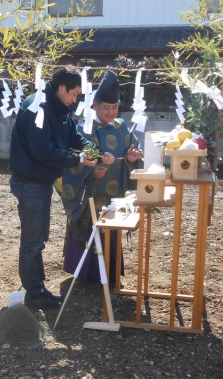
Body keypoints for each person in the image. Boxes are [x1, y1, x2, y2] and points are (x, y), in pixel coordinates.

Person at [9, 65, 111, 310]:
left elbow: (73, 137)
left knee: (37, 238)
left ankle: (37, 288)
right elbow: (42, 150)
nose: (75, 99)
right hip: (29, 182)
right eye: (74, 93)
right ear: (61, 88)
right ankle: (34, 293)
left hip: (39, 181)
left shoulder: (59, 107)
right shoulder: (38, 108)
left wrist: (96, 153)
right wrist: (77, 159)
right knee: (33, 240)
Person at [60, 70, 143, 282]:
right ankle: (86, 274)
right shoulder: (82, 129)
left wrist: (133, 157)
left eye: (115, 108)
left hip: (115, 194)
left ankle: (109, 271)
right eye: (106, 108)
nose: (111, 112)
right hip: (91, 193)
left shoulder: (122, 127)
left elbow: (131, 150)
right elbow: (71, 161)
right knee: (89, 227)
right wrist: (91, 172)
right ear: (94, 105)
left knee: (112, 228)